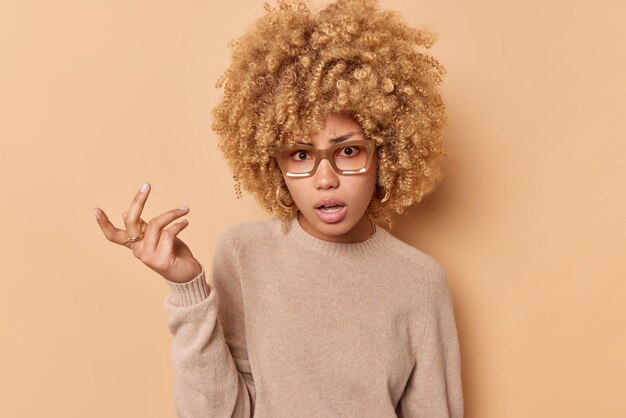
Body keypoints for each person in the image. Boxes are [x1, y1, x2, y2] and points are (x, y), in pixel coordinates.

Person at [94, 0, 463, 416]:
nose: (326, 178)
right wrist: (187, 289)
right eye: (301, 155)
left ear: (388, 153)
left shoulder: (419, 281)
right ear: (275, 163)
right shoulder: (244, 254)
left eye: (348, 150)